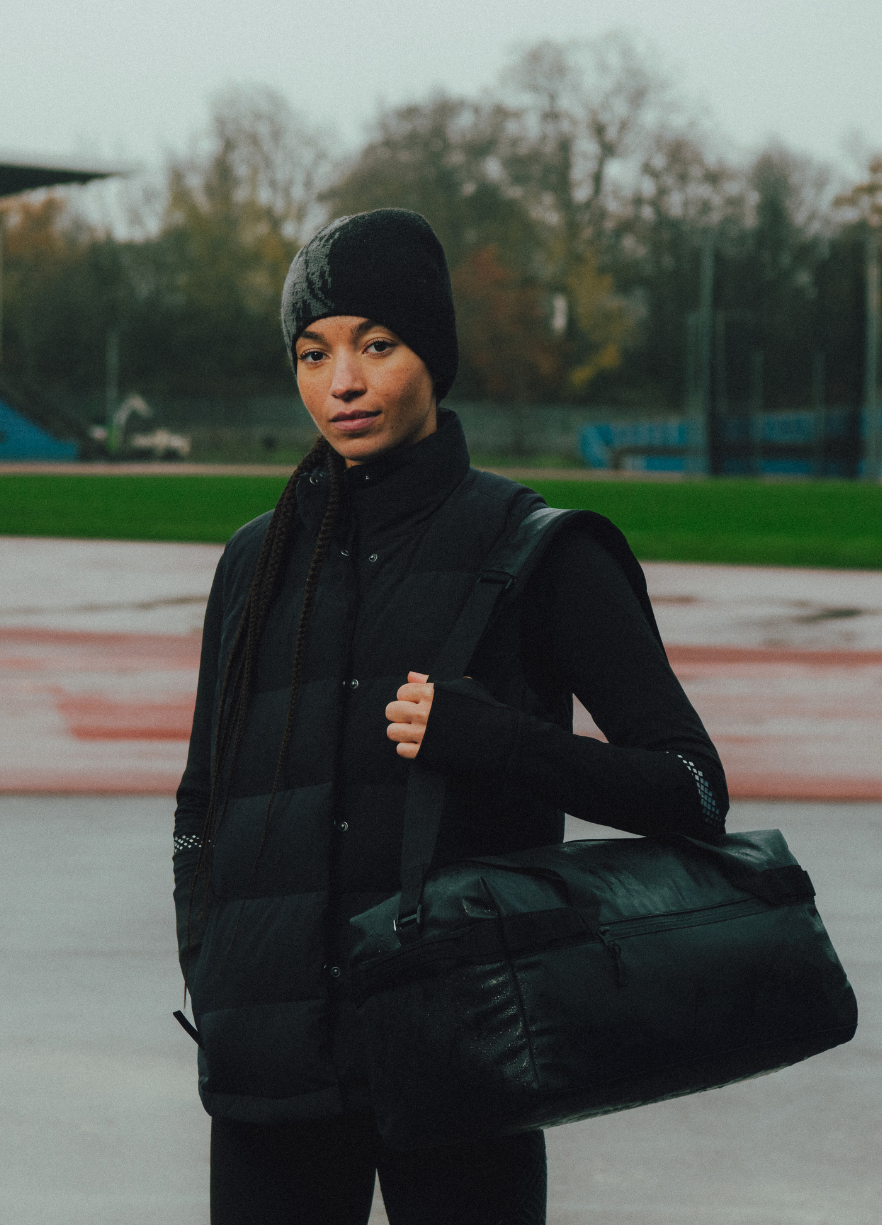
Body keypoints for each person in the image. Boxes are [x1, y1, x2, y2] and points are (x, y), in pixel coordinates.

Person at [174, 208, 728, 1225]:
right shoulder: (255, 561)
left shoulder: (539, 552)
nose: (341, 382)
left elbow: (694, 791)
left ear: (432, 353)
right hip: (271, 1074)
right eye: (313, 352)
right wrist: (219, 980)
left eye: (374, 345)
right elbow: (204, 802)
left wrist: (502, 743)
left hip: (460, 1060)